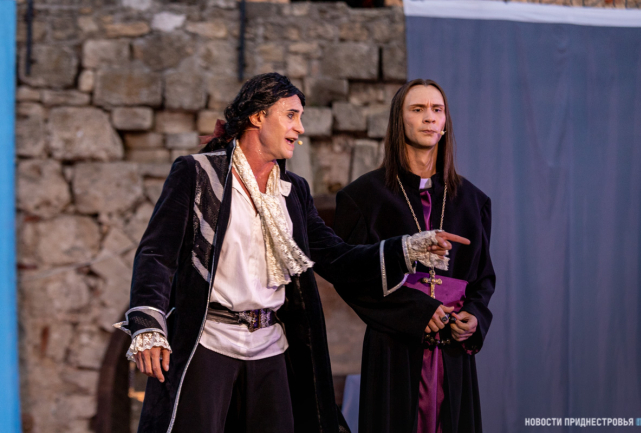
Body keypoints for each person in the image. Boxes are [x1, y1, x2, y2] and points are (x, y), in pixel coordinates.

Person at [113, 73, 467, 433]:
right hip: (209, 342)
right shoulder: (198, 173)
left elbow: (337, 257)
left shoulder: (293, 190)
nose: (300, 128)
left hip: (269, 346)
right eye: (291, 115)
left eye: (300, 117)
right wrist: (148, 324)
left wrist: (406, 247)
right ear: (258, 117)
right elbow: (157, 254)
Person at [333, 79, 496, 433]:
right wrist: (416, 311)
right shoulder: (363, 198)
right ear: (399, 120)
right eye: (418, 109)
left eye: (437, 110)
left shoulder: (473, 201)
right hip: (394, 348)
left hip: (452, 352)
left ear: (445, 123)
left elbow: (483, 278)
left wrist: (475, 316)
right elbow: (350, 278)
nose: (429, 117)